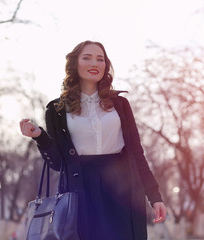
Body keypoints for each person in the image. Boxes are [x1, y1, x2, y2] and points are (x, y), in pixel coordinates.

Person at [19, 40, 166, 240]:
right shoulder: (57, 110)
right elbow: (58, 163)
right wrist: (40, 136)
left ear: (106, 65)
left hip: (122, 189)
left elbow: (136, 153)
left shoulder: (120, 104)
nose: (94, 63)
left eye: (100, 59)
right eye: (87, 58)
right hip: (81, 190)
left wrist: (154, 196)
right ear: (75, 63)